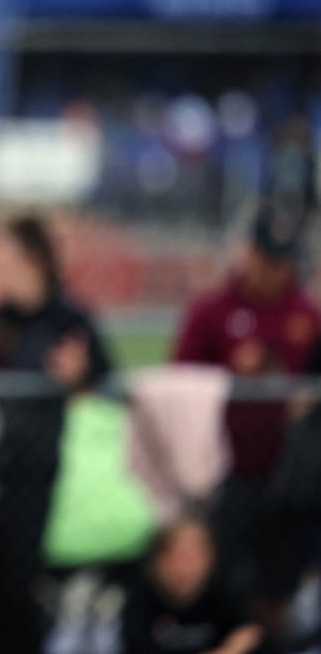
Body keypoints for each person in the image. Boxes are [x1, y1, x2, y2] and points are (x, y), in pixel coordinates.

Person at [0, 214, 114, 654]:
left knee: (26, 587)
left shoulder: (70, 318)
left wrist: (82, 378)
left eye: (5, 259)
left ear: (35, 260)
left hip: (49, 476)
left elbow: (108, 389)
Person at [170, 205, 321, 644]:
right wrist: (231, 375)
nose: (276, 270)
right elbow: (178, 380)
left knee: (277, 588)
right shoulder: (211, 309)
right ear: (249, 253)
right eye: (268, 258)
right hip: (224, 472)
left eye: (283, 260)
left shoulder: (306, 315)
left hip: (289, 477)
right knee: (222, 579)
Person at [120, 515, 263, 654]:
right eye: (176, 558)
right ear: (157, 561)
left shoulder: (222, 595)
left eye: (192, 559)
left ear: (210, 559)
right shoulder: (139, 602)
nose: (183, 569)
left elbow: (249, 632)